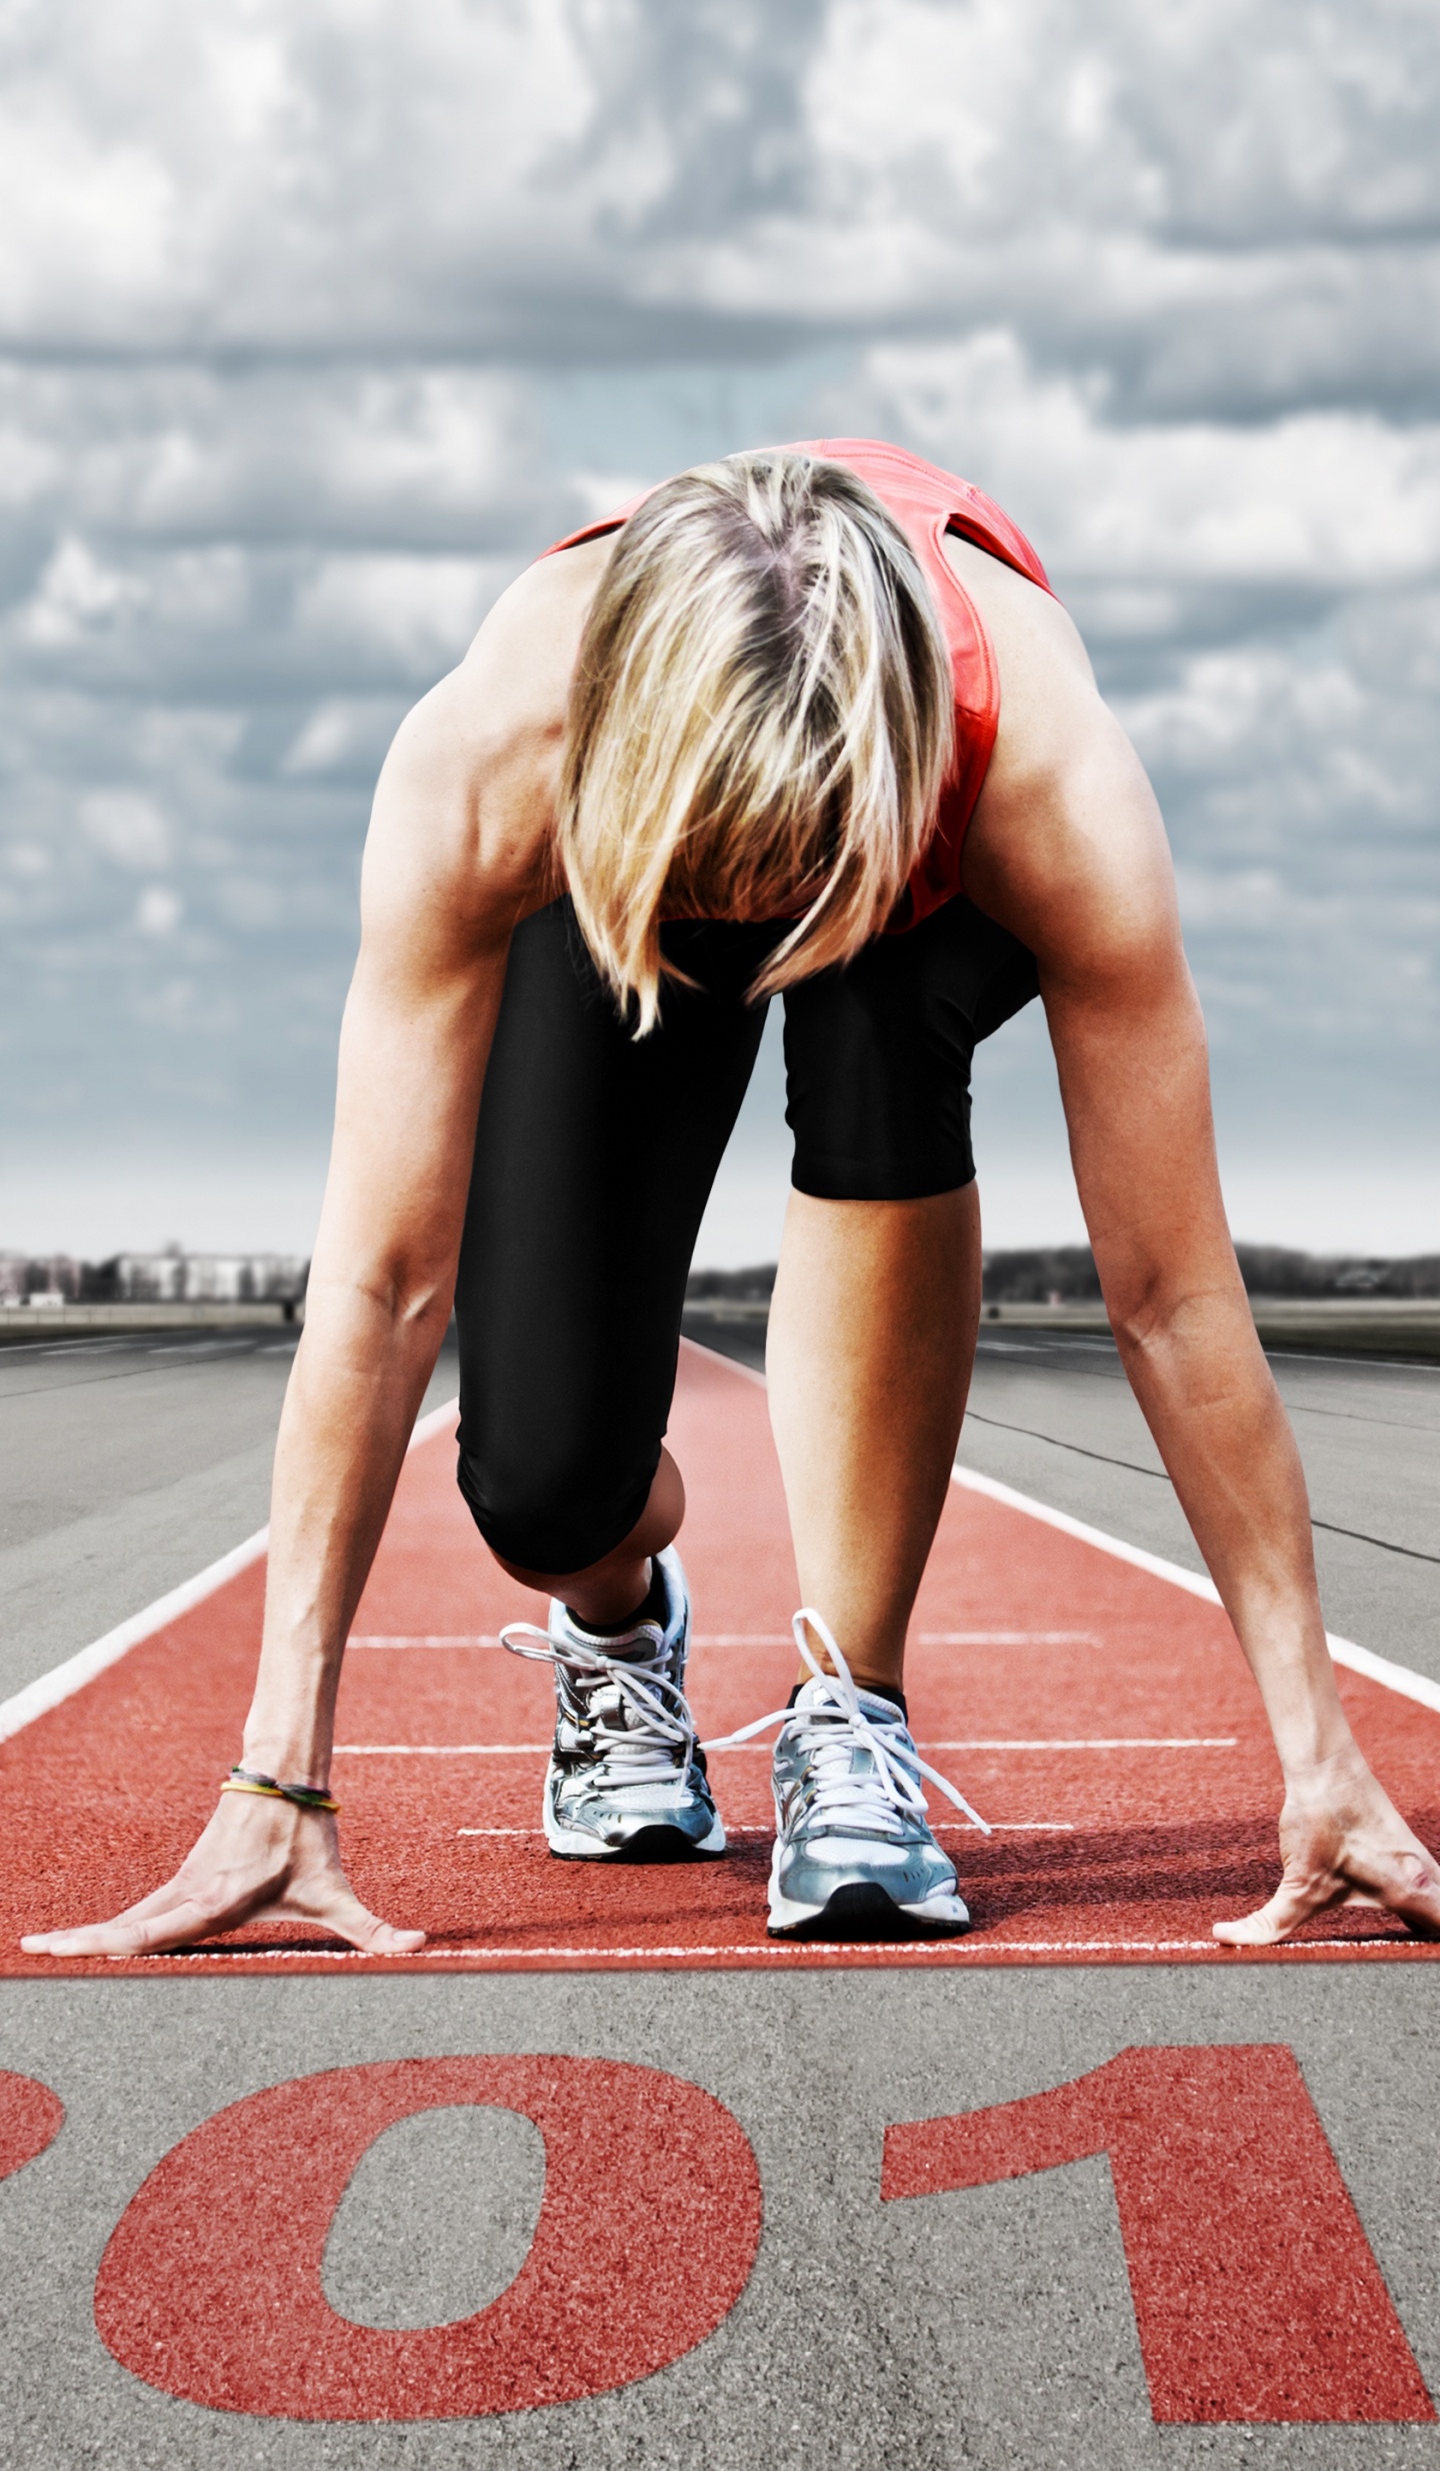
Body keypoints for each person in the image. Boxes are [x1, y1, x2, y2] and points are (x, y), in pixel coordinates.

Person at [26, 441, 1440, 1959]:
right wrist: (276, 1778)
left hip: (912, 850)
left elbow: (1169, 1295)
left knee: (881, 1036)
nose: (770, 926)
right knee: (539, 1484)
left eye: (792, 875)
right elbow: (380, 1284)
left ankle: (854, 1710)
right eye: (741, 877)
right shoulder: (492, 762)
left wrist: (1323, 1761)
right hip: (636, 841)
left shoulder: (1048, 779)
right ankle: (623, 1618)